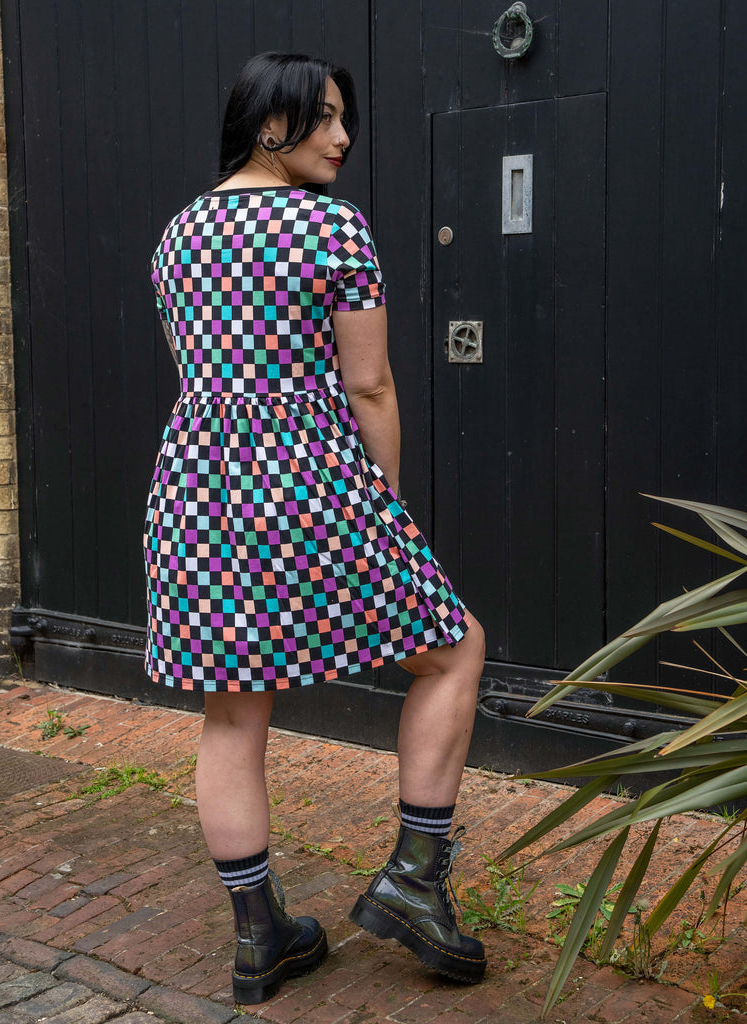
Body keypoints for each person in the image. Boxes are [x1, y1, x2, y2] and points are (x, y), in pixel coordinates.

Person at [144, 52, 487, 1005]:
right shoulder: (330, 226)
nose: (342, 137)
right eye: (324, 118)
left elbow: (199, 367)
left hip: (200, 482)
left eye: (345, 119)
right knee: (454, 650)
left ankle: (262, 941)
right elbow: (367, 381)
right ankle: (415, 881)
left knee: (231, 709)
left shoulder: (178, 233)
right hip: (310, 477)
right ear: (268, 125)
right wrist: (383, 500)